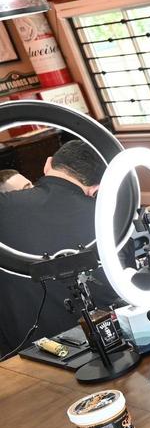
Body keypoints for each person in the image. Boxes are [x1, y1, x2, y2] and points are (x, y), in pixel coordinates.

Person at [0, 141, 106, 353]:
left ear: (48, 164)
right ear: (95, 188)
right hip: (100, 335)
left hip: (23, 347)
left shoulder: (6, 206)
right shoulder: (107, 215)